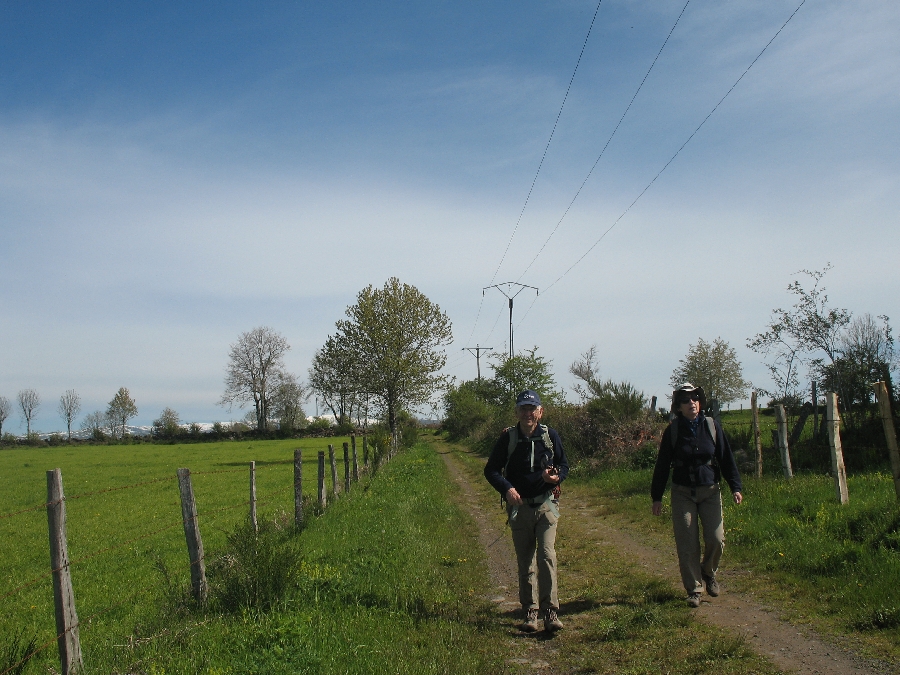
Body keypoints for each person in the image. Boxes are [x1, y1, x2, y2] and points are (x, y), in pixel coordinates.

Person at [651, 383, 743, 607]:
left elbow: (726, 457)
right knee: (687, 543)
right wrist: (657, 497)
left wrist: (735, 486)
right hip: (682, 493)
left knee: (716, 539)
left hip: (710, 490)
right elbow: (662, 465)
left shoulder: (711, 426)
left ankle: (708, 572)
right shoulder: (672, 430)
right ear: (678, 406)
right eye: (685, 400)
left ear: (699, 402)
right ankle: (694, 589)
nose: (691, 402)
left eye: (694, 398)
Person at [484, 390, 569, 632]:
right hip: (519, 508)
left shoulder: (550, 436)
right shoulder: (508, 439)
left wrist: (555, 477)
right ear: (517, 412)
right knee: (525, 562)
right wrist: (507, 489)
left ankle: (550, 612)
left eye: (532, 408)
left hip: (546, 505)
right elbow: (491, 470)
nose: (528, 413)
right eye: (523, 408)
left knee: (547, 555)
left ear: (540, 412)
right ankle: (530, 611)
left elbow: (564, 465)